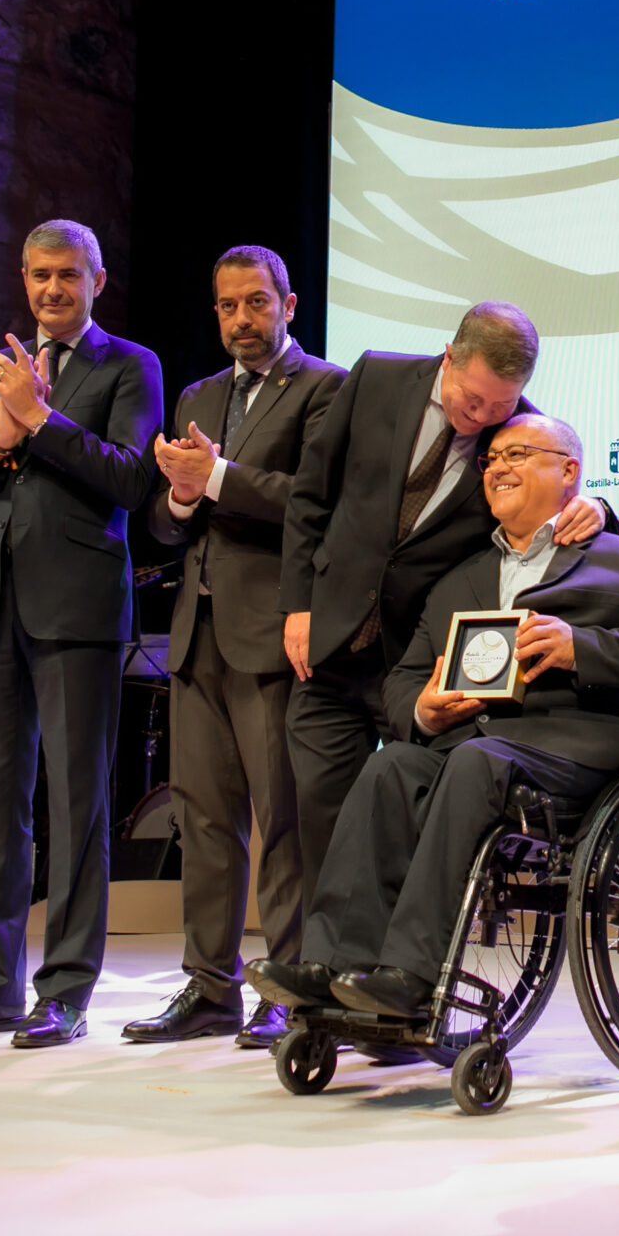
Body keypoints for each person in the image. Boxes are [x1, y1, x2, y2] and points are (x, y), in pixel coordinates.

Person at [250, 414, 619, 1021]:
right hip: (478, 745)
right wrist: (422, 709)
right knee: (392, 766)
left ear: (569, 471)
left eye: (517, 454)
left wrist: (580, 646)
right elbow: (403, 680)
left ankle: (411, 974)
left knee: (476, 762)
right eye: (491, 458)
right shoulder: (458, 579)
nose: (497, 467)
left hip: (583, 748)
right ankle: (329, 965)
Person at [0, 220, 163, 1047]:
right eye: (40, 274)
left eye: (68, 275)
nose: (53, 289)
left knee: (77, 807)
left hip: (77, 606)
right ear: (23, 278)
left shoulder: (129, 364)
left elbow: (130, 479)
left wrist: (41, 420)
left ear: (97, 280)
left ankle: (65, 991)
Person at [278, 302, 604, 910]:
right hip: (331, 644)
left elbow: (562, 488)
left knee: (408, 824)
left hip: (416, 664)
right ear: (449, 356)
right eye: (472, 399)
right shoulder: (375, 377)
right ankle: (322, 964)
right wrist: (298, 605)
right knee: (323, 823)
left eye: (500, 405)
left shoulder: (515, 434)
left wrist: (598, 506)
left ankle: (396, 960)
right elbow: (310, 494)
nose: (481, 417)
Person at [127, 246, 344, 1048]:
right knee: (204, 819)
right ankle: (209, 986)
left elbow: (315, 502)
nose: (242, 319)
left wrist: (216, 477)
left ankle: (288, 985)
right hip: (199, 633)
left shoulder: (326, 388)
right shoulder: (199, 394)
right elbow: (163, 520)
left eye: (257, 302)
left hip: (274, 632)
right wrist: (183, 497)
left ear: (289, 304)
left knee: (282, 817)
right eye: (228, 306)